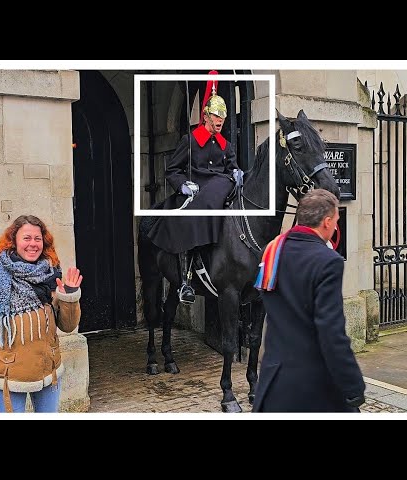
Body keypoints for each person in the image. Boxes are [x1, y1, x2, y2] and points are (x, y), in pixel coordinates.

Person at [252, 189, 366, 412]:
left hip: (274, 381)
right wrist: (352, 385)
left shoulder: (272, 251)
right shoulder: (327, 261)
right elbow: (331, 331)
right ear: (326, 222)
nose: (336, 227)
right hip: (311, 386)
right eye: (336, 221)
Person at [0, 215, 83, 413]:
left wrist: (70, 297)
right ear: (14, 241)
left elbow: (67, 326)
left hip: (49, 372)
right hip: (8, 378)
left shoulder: (51, 275)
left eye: (37, 239)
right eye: (26, 238)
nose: (33, 244)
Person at [146, 71, 244, 304]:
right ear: (206, 117)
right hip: (196, 191)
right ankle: (185, 280)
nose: (219, 125)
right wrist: (183, 186)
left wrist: (238, 173)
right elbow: (172, 171)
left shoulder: (226, 145)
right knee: (187, 219)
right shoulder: (189, 142)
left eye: (222, 122)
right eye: (216, 121)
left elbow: (232, 167)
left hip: (221, 191)